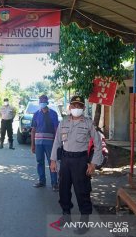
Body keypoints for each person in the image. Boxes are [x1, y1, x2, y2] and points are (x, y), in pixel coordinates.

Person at [50, 95, 103, 235]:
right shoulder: (63, 123)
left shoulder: (88, 124)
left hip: (80, 161)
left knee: (82, 191)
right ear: (70, 107)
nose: (76, 108)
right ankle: (66, 215)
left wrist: (93, 164)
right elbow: (57, 142)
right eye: (74, 106)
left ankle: (85, 221)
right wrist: (53, 160)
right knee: (63, 189)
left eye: (79, 106)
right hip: (65, 160)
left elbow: (98, 145)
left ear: (84, 108)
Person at [31, 95, 59, 190]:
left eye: (44, 100)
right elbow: (33, 130)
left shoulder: (53, 114)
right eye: (40, 101)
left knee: (52, 162)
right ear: (39, 102)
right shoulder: (36, 114)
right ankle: (42, 181)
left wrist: (57, 143)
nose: (42, 102)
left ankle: (54, 183)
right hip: (38, 143)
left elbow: (56, 130)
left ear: (47, 102)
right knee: (40, 162)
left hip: (50, 143)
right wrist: (32, 145)